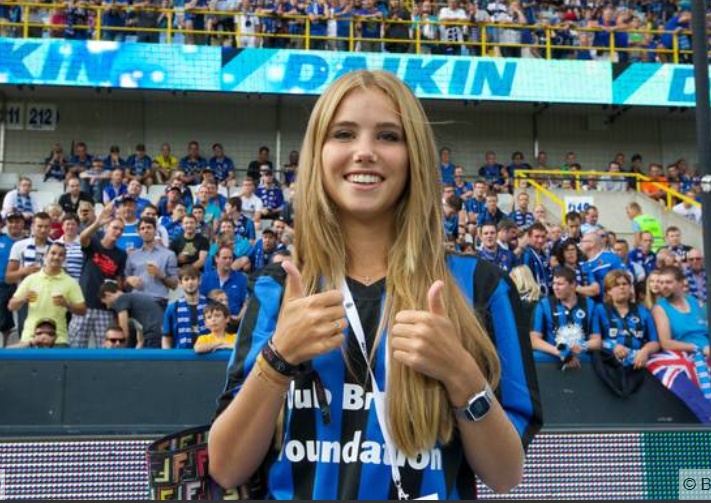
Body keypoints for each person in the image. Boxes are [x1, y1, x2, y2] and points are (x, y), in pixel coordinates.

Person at [208, 70, 540, 499]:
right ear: (317, 152)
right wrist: (278, 358)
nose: (364, 152)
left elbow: (505, 474)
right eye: (343, 134)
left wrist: (460, 374)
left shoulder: (480, 286)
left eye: (388, 136)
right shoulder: (278, 288)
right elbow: (226, 467)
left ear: (414, 155)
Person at [8, 242, 87, 347]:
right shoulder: (31, 279)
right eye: (53, 253)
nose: (56, 257)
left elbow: (82, 310)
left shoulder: (71, 282)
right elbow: (11, 306)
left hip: (58, 338)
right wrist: (23, 298)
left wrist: (66, 304)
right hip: (30, 337)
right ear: (45, 255)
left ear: (64, 259)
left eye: (61, 255)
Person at [530, 267, 601, 370]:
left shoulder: (590, 305)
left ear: (573, 285)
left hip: (582, 365)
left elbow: (597, 341)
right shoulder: (543, 305)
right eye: (554, 283)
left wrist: (580, 346)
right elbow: (534, 340)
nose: (555, 287)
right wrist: (560, 352)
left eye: (560, 284)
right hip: (550, 363)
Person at [595, 270, 659, 370]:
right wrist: (613, 346)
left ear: (630, 288)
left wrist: (645, 351)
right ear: (608, 291)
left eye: (625, 284)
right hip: (609, 362)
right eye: (616, 285)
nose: (622, 287)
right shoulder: (599, 310)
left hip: (639, 361)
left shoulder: (643, 311)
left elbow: (655, 342)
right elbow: (594, 339)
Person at [99, 281, 165, 349]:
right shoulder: (134, 297)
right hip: (161, 332)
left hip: (152, 334)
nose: (108, 307)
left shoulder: (121, 299)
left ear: (108, 294)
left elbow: (124, 331)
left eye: (106, 303)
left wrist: (121, 349)